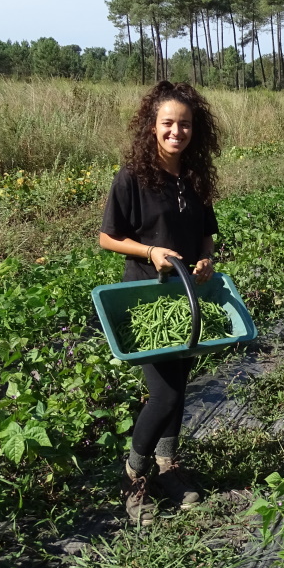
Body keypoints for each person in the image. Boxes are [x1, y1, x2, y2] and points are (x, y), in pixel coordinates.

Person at [99, 81, 221, 525]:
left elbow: (207, 229)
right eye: (168, 123)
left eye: (184, 124)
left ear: (195, 129)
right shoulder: (132, 176)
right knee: (164, 394)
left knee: (179, 387)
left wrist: (206, 257)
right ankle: (134, 473)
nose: (176, 132)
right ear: (152, 126)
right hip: (147, 298)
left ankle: (168, 465)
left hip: (186, 298)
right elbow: (107, 237)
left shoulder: (193, 175)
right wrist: (150, 252)